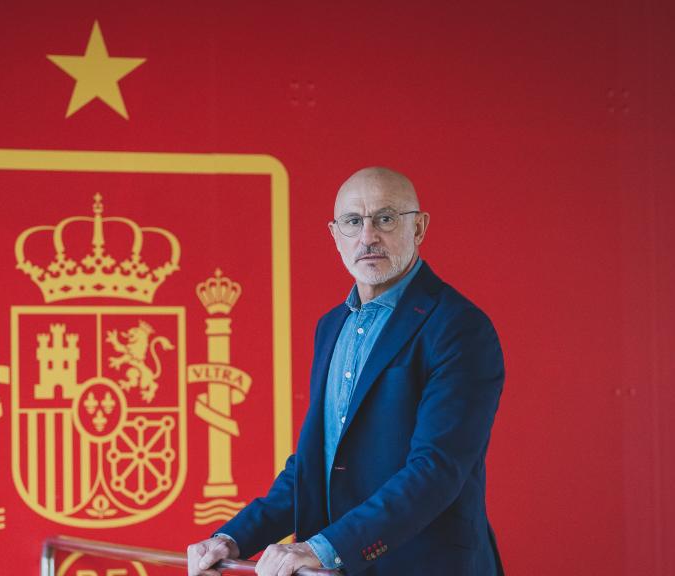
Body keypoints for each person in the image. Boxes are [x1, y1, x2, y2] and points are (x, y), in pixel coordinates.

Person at [187, 167, 506, 576]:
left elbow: (435, 472)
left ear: (420, 227)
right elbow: (313, 464)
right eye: (353, 221)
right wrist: (231, 539)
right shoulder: (331, 325)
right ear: (334, 234)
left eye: (386, 218)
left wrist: (327, 547)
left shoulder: (459, 327)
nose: (368, 236)